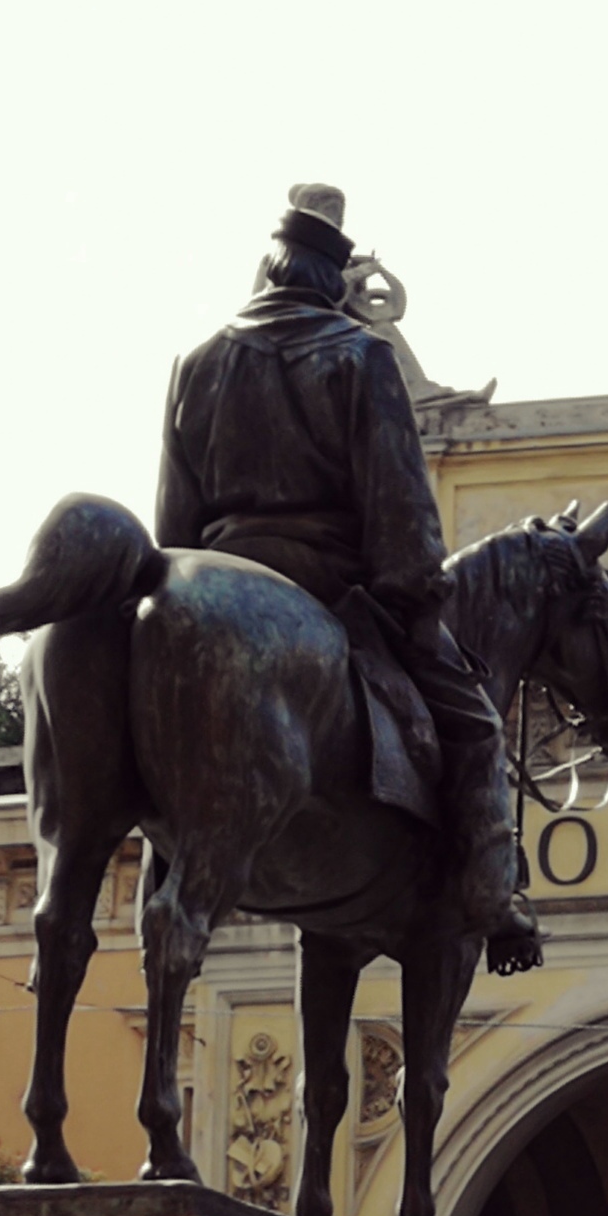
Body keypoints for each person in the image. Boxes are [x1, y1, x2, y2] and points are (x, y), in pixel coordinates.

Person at [154, 185, 538, 970]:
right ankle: (492, 898)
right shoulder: (359, 355)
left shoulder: (196, 364)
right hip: (330, 584)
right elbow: (400, 504)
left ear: (269, 270)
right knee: (475, 725)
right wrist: (416, 595)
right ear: (333, 279)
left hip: (213, 584)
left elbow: (171, 527)